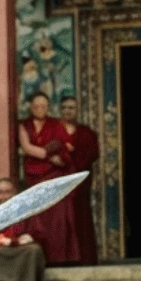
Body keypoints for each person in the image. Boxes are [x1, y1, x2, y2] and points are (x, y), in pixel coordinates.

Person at [21, 92, 89, 266]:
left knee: (58, 218)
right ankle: (41, 257)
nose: (40, 109)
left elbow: (66, 148)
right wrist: (47, 154)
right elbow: (27, 148)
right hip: (34, 175)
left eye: (43, 106)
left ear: (48, 108)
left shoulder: (56, 125)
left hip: (54, 175)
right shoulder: (24, 126)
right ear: (31, 107)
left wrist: (57, 155)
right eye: (36, 106)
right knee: (38, 215)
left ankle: (61, 257)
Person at [58, 95, 101, 265]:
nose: (68, 111)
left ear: (77, 111)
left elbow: (93, 153)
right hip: (59, 181)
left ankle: (85, 258)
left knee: (81, 217)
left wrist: (75, 165)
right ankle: (62, 258)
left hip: (80, 182)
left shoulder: (86, 133)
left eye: (71, 108)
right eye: (64, 108)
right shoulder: (55, 131)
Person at [0, 178, 45, 281]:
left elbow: (37, 233)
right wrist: (1, 240)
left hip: (22, 246)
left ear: (14, 193)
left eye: (8, 192)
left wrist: (23, 239)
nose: (4, 196)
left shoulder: (26, 210)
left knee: (34, 250)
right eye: (0, 193)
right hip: (1, 246)